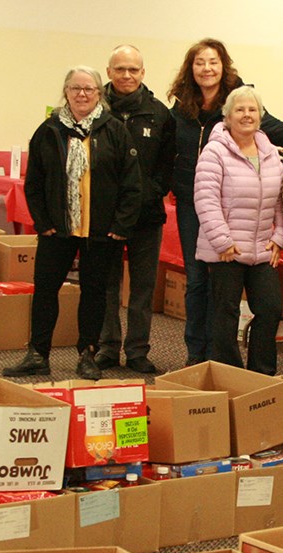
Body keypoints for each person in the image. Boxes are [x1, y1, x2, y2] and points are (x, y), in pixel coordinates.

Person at [168, 38, 283, 366]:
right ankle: (200, 356)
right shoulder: (182, 109)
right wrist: (221, 238)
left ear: (224, 67)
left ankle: (249, 370)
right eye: (200, 62)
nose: (207, 68)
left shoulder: (253, 123)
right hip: (199, 206)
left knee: (247, 301)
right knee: (199, 282)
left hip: (250, 230)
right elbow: (167, 152)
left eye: (213, 62)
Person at [3, 66, 141, 380]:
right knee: (45, 291)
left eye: (88, 89)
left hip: (100, 231)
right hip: (57, 230)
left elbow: (131, 183)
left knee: (94, 293)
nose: (81, 94)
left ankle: (87, 355)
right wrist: (43, 222)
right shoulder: (48, 130)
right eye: (75, 88)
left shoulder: (115, 131)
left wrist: (120, 225)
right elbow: (34, 182)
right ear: (66, 92)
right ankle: (38, 354)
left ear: (99, 94)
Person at [193, 86, 283, 374]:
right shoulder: (214, 151)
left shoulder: (270, 152)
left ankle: (262, 374)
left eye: (252, 110)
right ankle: (229, 374)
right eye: (240, 110)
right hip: (226, 250)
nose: (247, 115)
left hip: (261, 249)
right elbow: (206, 199)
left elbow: (281, 201)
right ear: (227, 115)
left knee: (271, 308)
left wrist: (280, 237)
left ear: (260, 115)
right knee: (225, 313)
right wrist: (223, 241)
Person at [96, 44, 175, 375]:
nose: (126, 75)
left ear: (143, 73)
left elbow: (167, 165)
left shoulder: (160, 114)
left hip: (146, 217)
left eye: (133, 69)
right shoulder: (95, 112)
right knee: (105, 286)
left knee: (142, 288)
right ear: (109, 71)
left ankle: (138, 350)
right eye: (120, 69)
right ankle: (107, 348)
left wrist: (148, 195)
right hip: (104, 218)